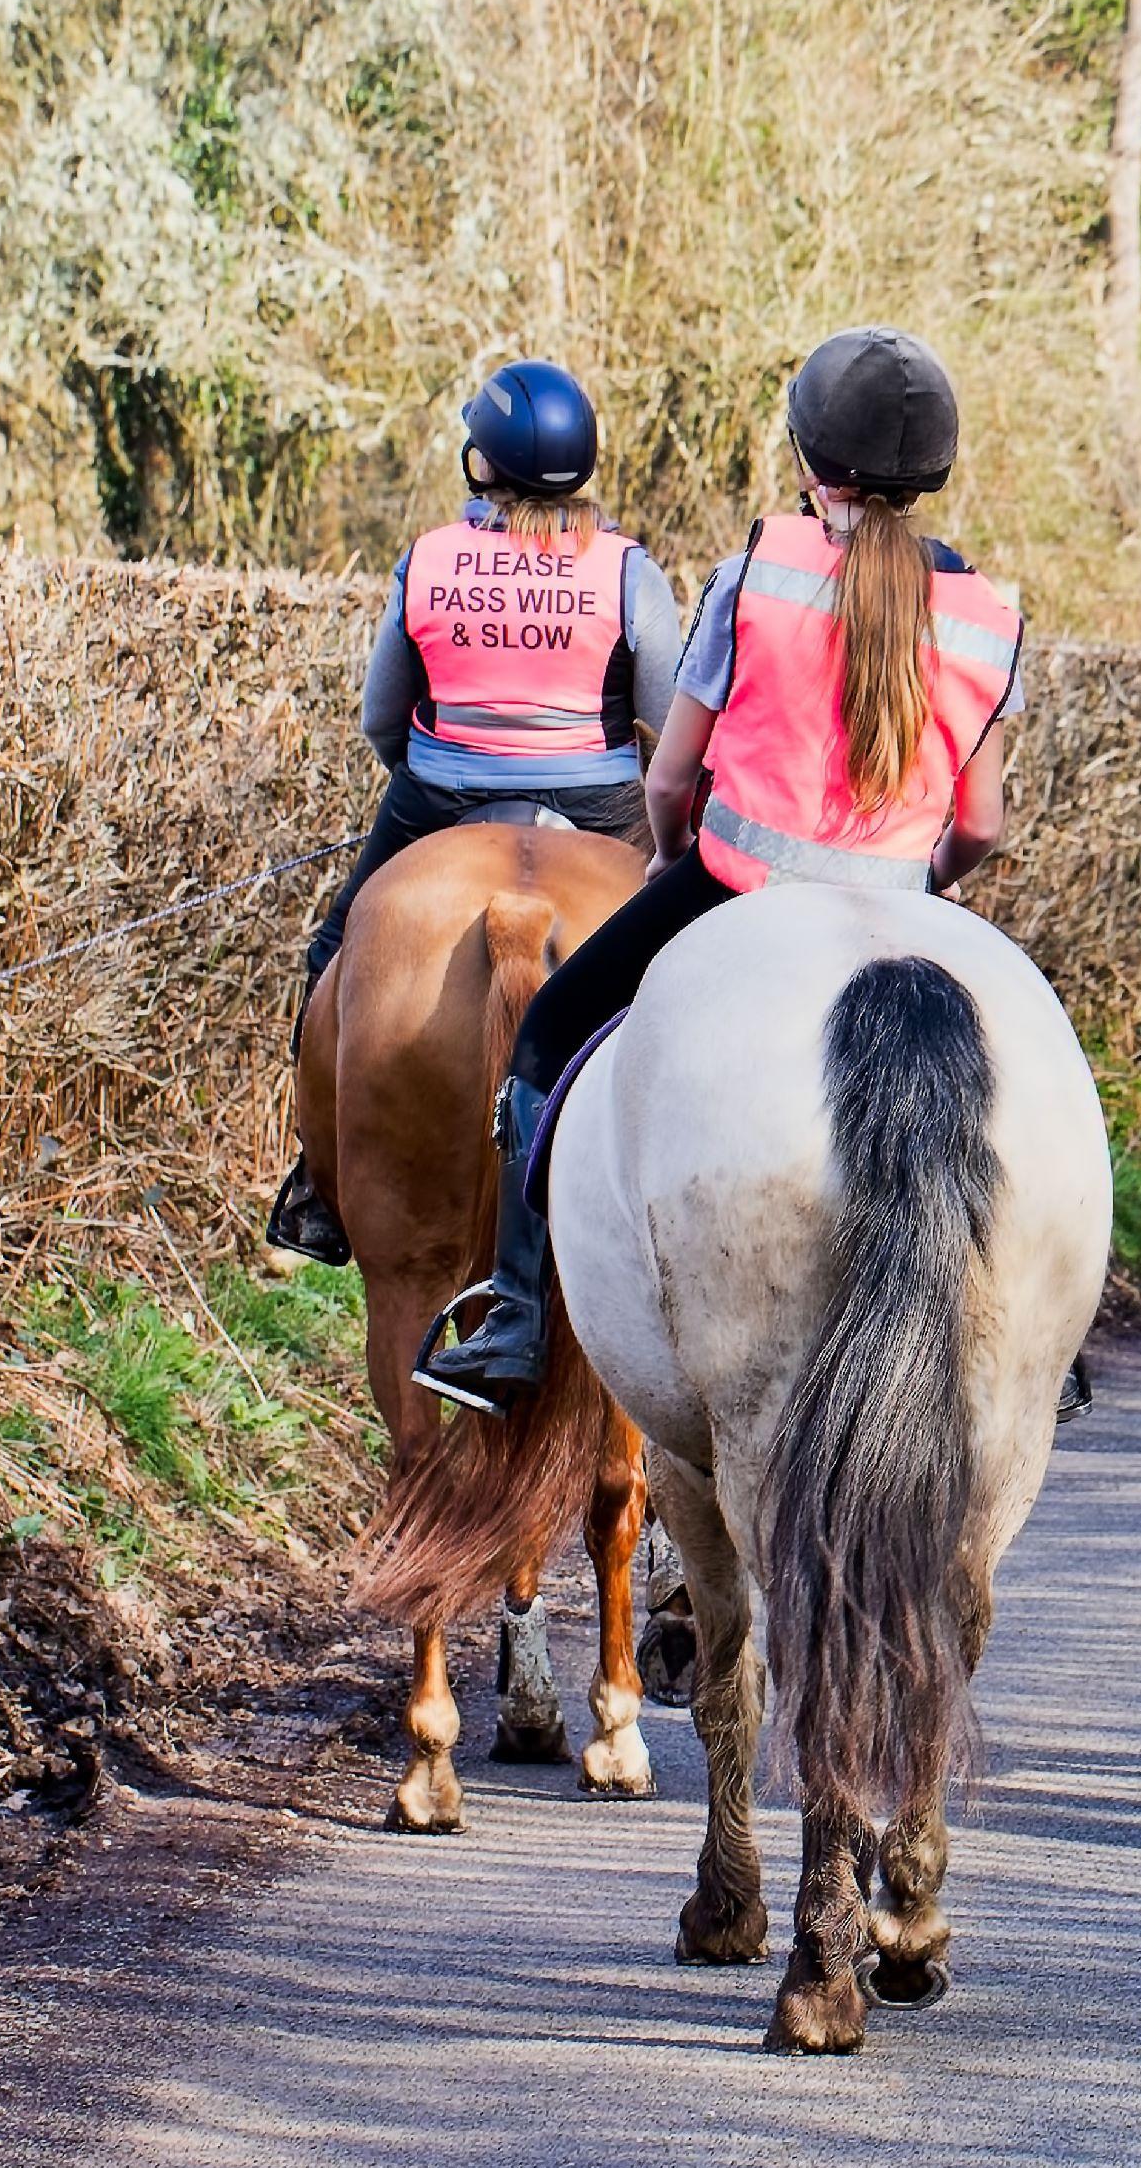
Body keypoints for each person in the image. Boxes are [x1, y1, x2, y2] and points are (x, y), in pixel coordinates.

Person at [410, 326, 1030, 1417]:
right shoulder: (988, 617)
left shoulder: (757, 575)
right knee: (1017, 1081)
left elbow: (672, 775)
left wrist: (664, 854)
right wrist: (921, 877)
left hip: (735, 884)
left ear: (806, 463)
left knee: (549, 1033)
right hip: (901, 905)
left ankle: (513, 1315)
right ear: (934, 472)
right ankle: (1036, 1332)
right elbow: (978, 822)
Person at [264, 359, 685, 1265]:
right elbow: (668, 706)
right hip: (599, 804)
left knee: (335, 951)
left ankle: (317, 1182)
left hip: (439, 795)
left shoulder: (428, 559)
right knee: (687, 964)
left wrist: (427, 776)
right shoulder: (627, 572)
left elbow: (382, 716)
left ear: (482, 463)